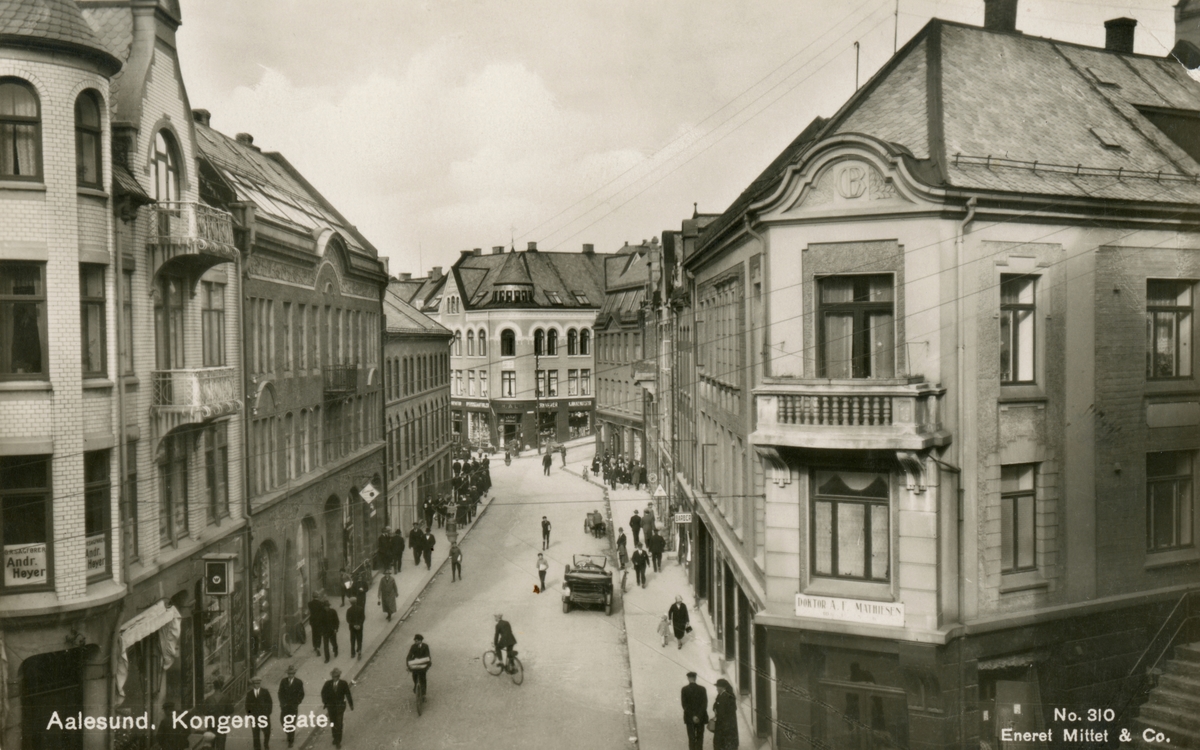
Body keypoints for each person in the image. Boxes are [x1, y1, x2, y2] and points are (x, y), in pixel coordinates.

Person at [320, 668, 353, 749]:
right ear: (332, 676)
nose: (335, 678)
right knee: (333, 723)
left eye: (336, 676)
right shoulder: (328, 684)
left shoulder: (343, 683)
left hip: (340, 707)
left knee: (339, 724)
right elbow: (323, 693)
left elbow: (348, 694)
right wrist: (326, 702)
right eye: (333, 677)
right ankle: (335, 737)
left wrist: (351, 704)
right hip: (331, 707)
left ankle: (338, 741)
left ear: (339, 676)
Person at [278, 666, 305, 748]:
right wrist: (282, 703)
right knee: (283, 721)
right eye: (289, 674)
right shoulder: (283, 681)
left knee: (291, 723)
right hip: (285, 706)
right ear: (287, 674)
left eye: (292, 674)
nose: (290, 675)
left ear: (294, 674)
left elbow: (301, 694)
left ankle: (291, 740)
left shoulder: (298, 682)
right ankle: (289, 734)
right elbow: (280, 693)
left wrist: (297, 702)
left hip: (293, 706)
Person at [681, 672, 709, 750]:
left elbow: (685, 705)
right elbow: (704, 704)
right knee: (700, 738)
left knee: (691, 738)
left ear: (688, 678)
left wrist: (693, 716)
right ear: (695, 678)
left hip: (689, 718)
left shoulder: (684, 689)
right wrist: (698, 716)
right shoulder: (702, 689)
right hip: (701, 718)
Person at [245, 676, 273, 750]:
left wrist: (267, 713)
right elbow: (247, 706)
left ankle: (266, 744)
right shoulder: (249, 694)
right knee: (255, 733)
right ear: (253, 684)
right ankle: (257, 747)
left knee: (267, 732)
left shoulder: (265, 692)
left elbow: (270, 703)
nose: (257, 685)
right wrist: (250, 716)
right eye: (256, 684)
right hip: (254, 717)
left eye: (258, 684)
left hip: (264, 716)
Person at [712, 678, 738, 750]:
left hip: (726, 725)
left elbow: (727, 711)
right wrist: (715, 709)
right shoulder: (720, 695)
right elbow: (715, 705)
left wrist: (718, 711)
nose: (716, 689)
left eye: (717, 687)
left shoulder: (728, 696)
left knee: (725, 743)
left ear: (722, 687)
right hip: (722, 724)